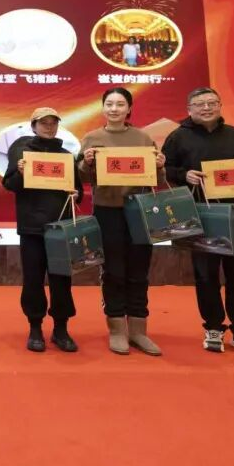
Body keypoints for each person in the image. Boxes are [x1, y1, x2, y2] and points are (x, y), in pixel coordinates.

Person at [161, 87, 234, 357]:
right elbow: (164, 169)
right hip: (201, 215)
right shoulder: (178, 137)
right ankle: (213, 327)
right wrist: (183, 174)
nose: (206, 108)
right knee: (206, 275)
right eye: (199, 104)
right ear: (189, 109)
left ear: (220, 105)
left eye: (211, 102)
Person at [79, 87, 166, 356]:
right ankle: (117, 329)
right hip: (107, 211)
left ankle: (139, 330)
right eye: (109, 104)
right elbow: (82, 179)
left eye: (120, 104)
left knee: (139, 269)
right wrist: (86, 164)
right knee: (113, 270)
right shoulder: (92, 138)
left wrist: (160, 166)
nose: (114, 109)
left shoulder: (143, 138)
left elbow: (158, 181)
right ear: (103, 108)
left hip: (139, 210)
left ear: (129, 108)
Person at [2, 107, 84, 353]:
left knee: (62, 279)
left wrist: (76, 195)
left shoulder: (66, 156)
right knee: (33, 280)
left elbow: (77, 192)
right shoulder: (22, 152)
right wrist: (20, 172)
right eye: (43, 123)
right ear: (33, 126)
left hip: (60, 228)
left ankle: (61, 329)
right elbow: (10, 184)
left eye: (53, 123)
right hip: (32, 228)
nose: (49, 127)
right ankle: (35, 327)